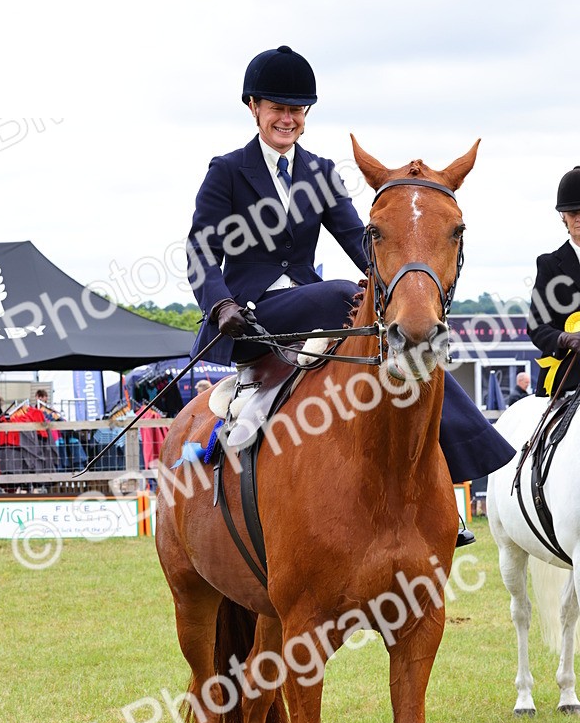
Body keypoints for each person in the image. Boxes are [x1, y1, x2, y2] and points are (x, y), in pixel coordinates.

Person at [185, 45, 515, 543]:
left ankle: (446, 483)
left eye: (296, 110)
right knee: (343, 293)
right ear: (254, 107)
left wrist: (412, 289)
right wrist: (220, 302)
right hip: (250, 316)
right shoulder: (227, 171)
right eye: (277, 108)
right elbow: (200, 251)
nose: (287, 119)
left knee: (414, 349)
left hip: (312, 312)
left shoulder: (319, 173)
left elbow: (364, 245)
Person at [528, 166, 580, 397]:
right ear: (563, 217)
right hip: (568, 375)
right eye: (572, 212)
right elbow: (536, 326)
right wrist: (563, 338)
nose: (578, 218)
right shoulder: (549, 265)